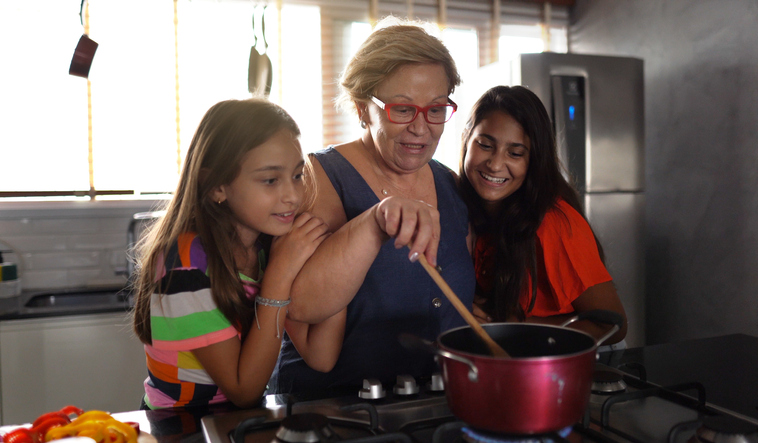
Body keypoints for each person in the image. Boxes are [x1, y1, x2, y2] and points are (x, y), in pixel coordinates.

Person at [268, 18, 475, 394]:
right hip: (327, 409)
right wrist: (374, 223)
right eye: (402, 109)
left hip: (427, 407)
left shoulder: (452, 186)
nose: (421, 127)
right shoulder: (317, 176)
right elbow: (298, 304)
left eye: (436, 109)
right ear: (363, 108)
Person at [132, 98, 345, 409]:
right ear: (217, 186)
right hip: (180, 426)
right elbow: (243, 390)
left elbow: (321, 355)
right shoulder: (185, 266)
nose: (293, 195)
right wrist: (281, 273)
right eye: (270, 180)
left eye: (298, 175)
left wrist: (334, 258)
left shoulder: (268, 246)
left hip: (233, 422)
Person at [458, 85, 628, 344]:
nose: (494, 164)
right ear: (466, 140)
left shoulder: (555, 224)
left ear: (534, 161)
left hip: (577, 361)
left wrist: (511, 325)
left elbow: (613, 325)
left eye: (515, 153)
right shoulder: (461, 205)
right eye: (485, 145)